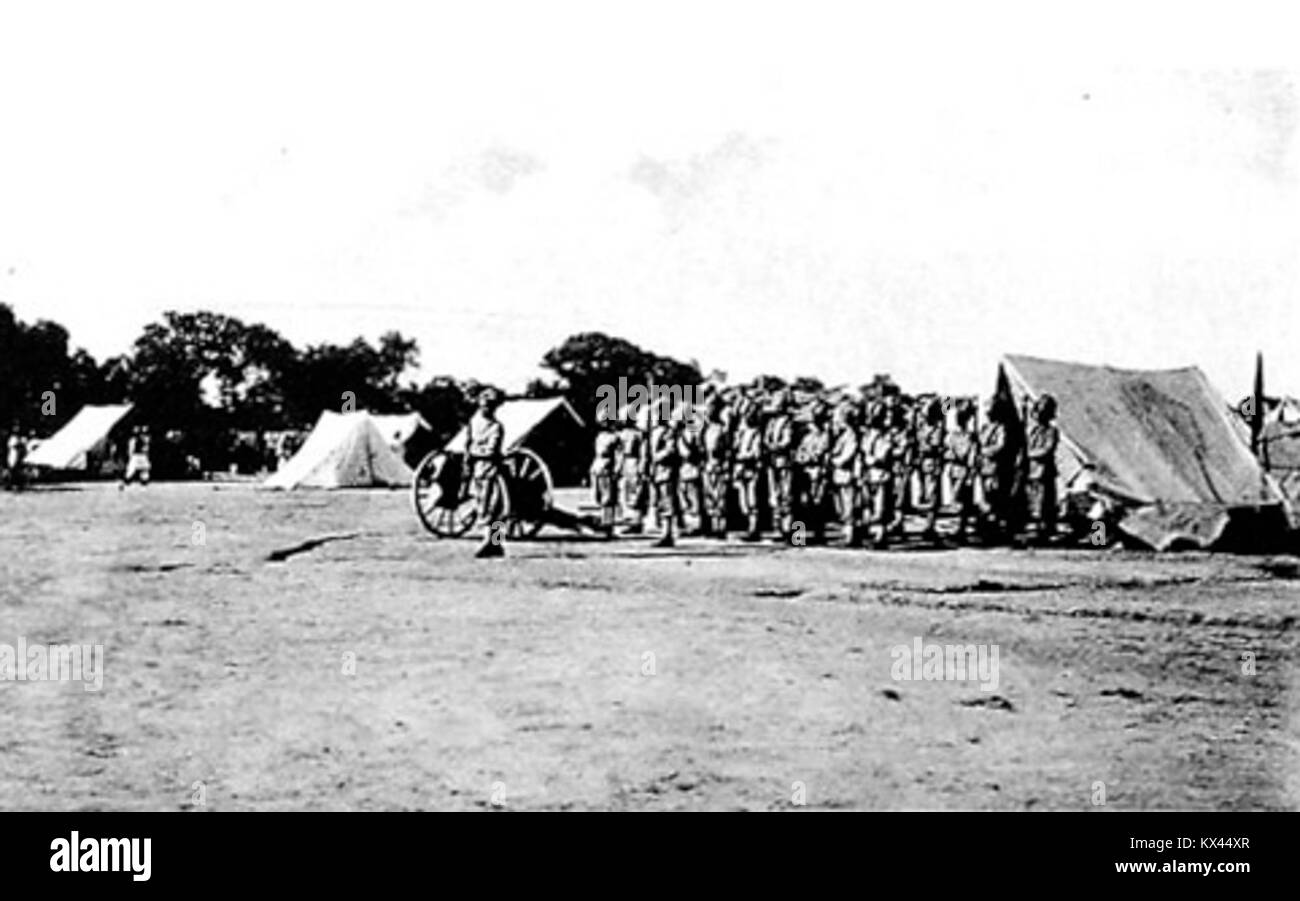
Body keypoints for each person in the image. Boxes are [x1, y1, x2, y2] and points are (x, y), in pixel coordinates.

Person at [466, 388, 506, 558]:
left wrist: (475, 451)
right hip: (478, 471)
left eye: (490, 405)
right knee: (482, 507)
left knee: (493, 510)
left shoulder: (496, 427)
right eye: (484, 404)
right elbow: (467, 444)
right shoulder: (474, 422)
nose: (486, 408)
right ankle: (492, 543)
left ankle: (494, 543)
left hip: (491, 472)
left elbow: (492, 450)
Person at [978, 397, 1016, 542]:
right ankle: (987, 526)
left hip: (995, 466)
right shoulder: (984, 427)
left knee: (996, 495)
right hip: (984, 467)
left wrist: (986, 451)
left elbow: (1001, 445)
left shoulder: (1001, 428)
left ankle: (996, 526)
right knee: (986, 496)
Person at [794, 399, 831, 544]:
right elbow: (799, 453)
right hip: (805, 472)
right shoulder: (806, 437)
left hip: (817, 472)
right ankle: (798, 536)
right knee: (801, 504)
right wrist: (803, 457)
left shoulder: (824, 437)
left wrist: (807, 456)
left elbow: (820, 453)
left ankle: (818, 534)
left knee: (818, 504)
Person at [1026, 394, 1060, 545]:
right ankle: (1039, 528)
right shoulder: (1032, 430)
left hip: (1045, 471)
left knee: (1046, 501)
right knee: (1035, 501)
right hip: (1032, 471)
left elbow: (1047, 449)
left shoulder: (1051, 431)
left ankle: (1046, 529)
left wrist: (1030, 454)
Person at [763, 389, 797, 543]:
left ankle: (788, 529)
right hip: (772, 461)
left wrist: (775, 446)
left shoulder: (788, 422)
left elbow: (787, 441)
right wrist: (769, 445)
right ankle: (777, 528)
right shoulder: (771, 423)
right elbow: (766, 438)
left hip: (784, 461)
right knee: (774, 496)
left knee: (786, 495)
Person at [944, 400, 980, 542]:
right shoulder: (952, 435)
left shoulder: (969, 437)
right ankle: (959, 527)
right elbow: (947, 452)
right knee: (957, 499)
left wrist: (970, 468)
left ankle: (961, 528)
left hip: (964, 470)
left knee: (964, 501)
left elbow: (970, 454)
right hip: (954, 469)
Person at [861, 401, 896, 548]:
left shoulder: (886, 436)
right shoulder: (867, 435)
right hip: (869, 474)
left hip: (881, 474)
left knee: (880, 506)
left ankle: (880, 536)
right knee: (869, 505)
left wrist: (871, 458)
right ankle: (874, 533)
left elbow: (883, 454)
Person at [649, 409, 684, 548]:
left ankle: (668, 533)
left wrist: (657, 457)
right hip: (656, 471)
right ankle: (663, 532)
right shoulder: (654, 432)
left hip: (666, 470)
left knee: (668, 501)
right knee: (660, 502)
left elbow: (671, 450)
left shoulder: (669, 432)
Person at [699, 395, 732, 538]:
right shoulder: (705, 429)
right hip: (708, 465)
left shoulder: (722, 429)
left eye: (711, 407)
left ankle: (721, 527)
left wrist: (726, 467)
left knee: (720, 497)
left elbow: (728, 450)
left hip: (719, 465)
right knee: (709, 497)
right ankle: (712, 525)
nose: (708, 410)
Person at [830, 401, 862, 547]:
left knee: (849, 505)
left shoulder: (851, 435)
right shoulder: (840, 435)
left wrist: (835, 460)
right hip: (839, 474)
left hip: (847, 473)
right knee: (842, 505)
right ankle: (847, 532)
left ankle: (851, 535)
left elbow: (849, 453)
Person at [732, 403, 764, 541]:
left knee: (752, 500)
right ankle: (749, 527)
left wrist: (744, 455)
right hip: (740, 468)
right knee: (743, 501)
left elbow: (756, 452)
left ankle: (754, 528)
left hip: (751, 467)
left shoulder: (756, 433)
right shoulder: (741, 432)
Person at [916, 397, 946, 542]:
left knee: (932, 496)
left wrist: (923, 447)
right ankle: (928, 525)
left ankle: (930, 525)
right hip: (924, 464)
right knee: (926, 495)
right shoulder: (923, 427)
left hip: (932, 463)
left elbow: (934, 445)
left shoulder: (937, 428)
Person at [589, 415, 621, 536]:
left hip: (607, 468)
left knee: (608, 499)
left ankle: (608, 525)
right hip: (598, 467)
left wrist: (617, 470)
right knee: (599, 497)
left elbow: (618, 455)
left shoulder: (615, 438)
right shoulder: (600, 437)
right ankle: (604, 522)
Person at [617, 416, 648, 535]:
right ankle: (629, 520)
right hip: (625, 462)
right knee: (625, 492)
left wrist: (642, 466)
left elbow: (643, 452)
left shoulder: (639, 434)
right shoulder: (621, 434)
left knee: (636, 493)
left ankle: (637, 522)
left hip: (634, 462)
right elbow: (619, 451)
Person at [5, 425, 28, 491]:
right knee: (13, 471)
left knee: (18, 471)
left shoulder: (21, 438)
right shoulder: (12, 438)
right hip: (13, 456)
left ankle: (19, 484)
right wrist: (20, 443)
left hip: (19, 457)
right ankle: (10, 484)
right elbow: (13, 445)